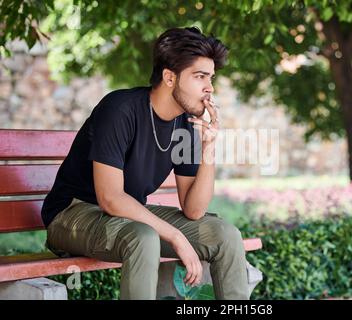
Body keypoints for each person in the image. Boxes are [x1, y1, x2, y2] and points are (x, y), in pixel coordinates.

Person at [41, 26, 249, 300]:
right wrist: (175, 237)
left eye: (211, 77)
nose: (210, 87)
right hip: (72, 214)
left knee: (225, 235)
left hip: (128, 217)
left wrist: (208, 147)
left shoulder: (186, 125)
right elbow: (111, 198)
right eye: (200, 77)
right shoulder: (120, 109)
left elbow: (195, 210)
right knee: (144, 237)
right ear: (169, 77)